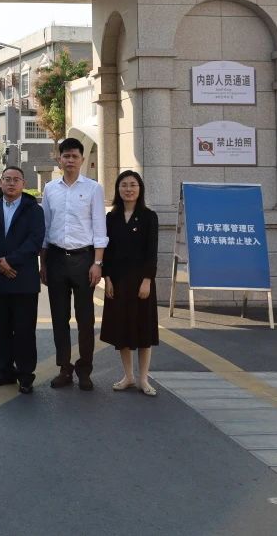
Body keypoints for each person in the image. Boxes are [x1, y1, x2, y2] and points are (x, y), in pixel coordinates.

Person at [40, 137, 108, 390]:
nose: (70, 160)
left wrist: (98, 263)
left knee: (85, 319)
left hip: (84, 259)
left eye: (74, 156)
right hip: (56, 258)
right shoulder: (50, 189)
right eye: (65, 156)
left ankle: (85, 369)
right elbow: (46, 228)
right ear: (59, 159)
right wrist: (43, 263)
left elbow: (100, 227)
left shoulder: (93, 188)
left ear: (82, 159)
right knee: (59, 318)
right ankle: (64, 368)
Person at [0, 166, 44, 393]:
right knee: (2, 330)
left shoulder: (34, 210)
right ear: (0, 182)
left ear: (23, 184)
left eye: (16, 179)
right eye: (7, 179)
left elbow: (35, 240)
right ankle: (5, 372)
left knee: (24, 330)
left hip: (23, 279)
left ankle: (26, 375)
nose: (11, 183)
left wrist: (10, 261)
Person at [99, 170, 160, 397]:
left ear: (140, 188)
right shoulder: (111, 217)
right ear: (118, 189)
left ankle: (143, 378)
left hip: (141, 281)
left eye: (133, 184)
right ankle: (129, 376)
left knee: (144, 330)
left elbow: (151, 252)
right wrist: (107, 278)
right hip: (117, 281)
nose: (128, 189)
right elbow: (107, 251)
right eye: (124, 185)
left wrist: (147, 280)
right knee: (121, 329)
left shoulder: (149, 216)